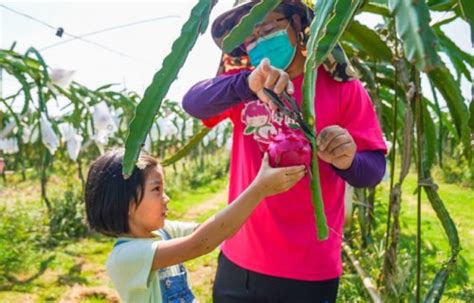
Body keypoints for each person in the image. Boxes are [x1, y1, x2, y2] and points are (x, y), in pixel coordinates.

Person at [182, 0, 387, 302]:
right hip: (240, 261)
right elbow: (193, 103)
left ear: (297, 23)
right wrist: (246, 84)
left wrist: (348, 161)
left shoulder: (343, 88)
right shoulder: (242, 86)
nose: (259, 41)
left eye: (268, 28)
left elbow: (373, 169)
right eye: (250, 37)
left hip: (310, 270)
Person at [84, 149, 305, 302]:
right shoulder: (125, 257)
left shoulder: (163, 232)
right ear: (127, 203)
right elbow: (201, 243)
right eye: (157, 190)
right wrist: (258, 189)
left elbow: (213, 231)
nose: (166, 198)